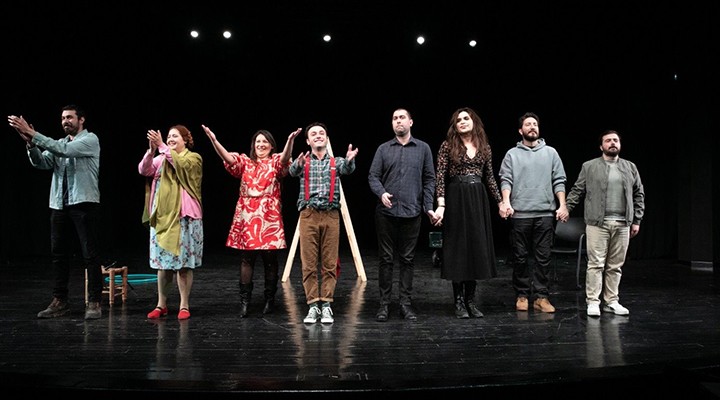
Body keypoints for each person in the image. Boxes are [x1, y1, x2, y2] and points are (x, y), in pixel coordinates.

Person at [8, 105, 104, 320]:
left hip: (84, 204)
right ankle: (60, 301)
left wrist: (32, 132)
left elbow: (64, 151)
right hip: (60, 205)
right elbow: (41, 162)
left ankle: (94, 301)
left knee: (90, 254)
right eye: (62, 118)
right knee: (59, 255)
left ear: (81, 120)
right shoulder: (59, 142)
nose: (65, 121)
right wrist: (31, 144)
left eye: (69, 117)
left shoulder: (90, 140)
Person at [203, 125, 300, 317]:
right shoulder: (245, 162)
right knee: (246, 259)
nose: (261, 144)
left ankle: (269, 300)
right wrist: (214, 140)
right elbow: (228, 159)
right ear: (253, 145)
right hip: (247, 216)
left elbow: (285, 159)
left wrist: (290, 141)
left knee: (270, 260)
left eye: (265, 142)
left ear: (271, 146)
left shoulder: (275, 161)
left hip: (269, 217)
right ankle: (245, 302)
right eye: (258, 141)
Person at [564, 129, 644, 317]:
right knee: (596, 264)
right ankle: (593, 302)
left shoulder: (630, 167)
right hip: (597, 223)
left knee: (615, 265)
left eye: (615, 140)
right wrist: (566, 208)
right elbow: (577, 190)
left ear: (620, 144)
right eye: (608, 140)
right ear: (601, 146)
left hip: (623, 223)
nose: (612, 143)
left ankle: (611, 301)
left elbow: (639, 193)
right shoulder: (589, 166)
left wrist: (637, 220)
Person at [431, 107, 502, 319]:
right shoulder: (447, 146)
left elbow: (489, 177)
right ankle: (459, 301)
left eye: (466, 118)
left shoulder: (484, 147)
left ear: (474, 121)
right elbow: (440, 176)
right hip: (456, 196)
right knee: (458, 248)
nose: (462, 122)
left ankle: (471, 300)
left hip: (477, 197)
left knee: (475, 247)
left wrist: (500, 202)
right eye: (458, 120)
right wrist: (441, 205)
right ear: (455, 126)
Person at [368, 108, 436, 322]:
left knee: (407, 259)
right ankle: (384, 304)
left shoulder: (423, 148)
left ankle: (405, 304)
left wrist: (428, 206)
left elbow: (429, 179)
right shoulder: (383, 149)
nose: (398, 121)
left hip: (412, 211)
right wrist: (381, 193)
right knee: (386, 259)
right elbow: (373, 176)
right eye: (395, 118)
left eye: (402, 118)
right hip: (386, 213)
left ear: (411, 122)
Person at [498, 112, 568, 314]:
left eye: (535, 124)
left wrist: (562, 205)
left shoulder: (551, 153)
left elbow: (559, 180)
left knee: (543, 258)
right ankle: (522, 295)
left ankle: (541, 297)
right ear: (520, 130)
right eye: (528, 124)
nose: (532, 127)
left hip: (545, 213)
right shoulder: (512, 154)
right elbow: (506, 179)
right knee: (520, 257)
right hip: (520, 214)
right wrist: (506, 202)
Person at [288, 122, 358, 325]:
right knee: (309, 263)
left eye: (321, 133)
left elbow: (348, 169)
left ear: (327, 138)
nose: (318, 136)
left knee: (329, 263)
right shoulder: (304, 161)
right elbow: (292, 171)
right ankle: (313, 305)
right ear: (308, 141)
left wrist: (350, 160)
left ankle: (326, 304)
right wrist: (298, 164)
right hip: (309, 215)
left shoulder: (336, 162)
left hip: (330, 215)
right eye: (314, 134)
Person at [139, 125, 203, 320]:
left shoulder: (194, 158)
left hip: (185, 217)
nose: (171, 139)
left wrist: (162, 146)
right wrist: (151, 151)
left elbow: (181, 165)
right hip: (163, 217)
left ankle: (184, 305)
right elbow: (144, 170)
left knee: (184, 264)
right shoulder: (161, 159)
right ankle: (161, 305)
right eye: (168, 137)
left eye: (175, 136)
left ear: (186, 140)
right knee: (163, 264)